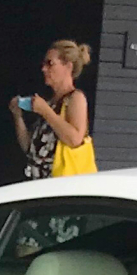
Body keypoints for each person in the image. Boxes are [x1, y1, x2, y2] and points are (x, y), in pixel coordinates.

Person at [11, 41, 93, 181]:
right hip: (39, 182)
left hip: (61, 185)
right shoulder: (50, 102)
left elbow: (74, 139)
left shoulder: (75, 99)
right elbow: (30, 148)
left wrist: (46, 112)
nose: (44, 69)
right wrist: (18, 116)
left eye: (50, 63)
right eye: (44, 64)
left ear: (68, 66)